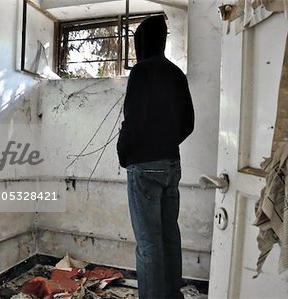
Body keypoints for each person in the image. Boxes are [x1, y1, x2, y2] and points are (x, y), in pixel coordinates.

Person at [117, 15, 194, 299]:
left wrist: (124, 154)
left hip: (145, 167)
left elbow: (134, 121)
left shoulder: (141, 72)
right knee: (169, 234)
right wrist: (165, 144)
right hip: (172, 164)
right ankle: (173, 294)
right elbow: (188, 123)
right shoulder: (177, 74)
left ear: (142, 42)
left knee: (148, 243)